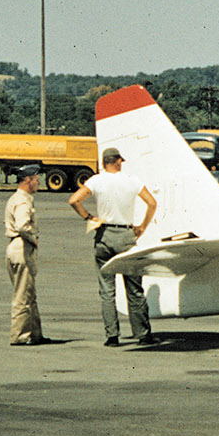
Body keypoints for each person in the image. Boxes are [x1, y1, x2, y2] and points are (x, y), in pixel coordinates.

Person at [69, 147, 159, 346]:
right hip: (126, 234)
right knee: (134, 288)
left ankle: (112, 336)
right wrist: (142, 227)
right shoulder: (132, 181)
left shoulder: (96, 181)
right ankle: (143, 334)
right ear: (118, 161)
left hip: (104, 234)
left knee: (107, 289)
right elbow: (152, 203)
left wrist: (89, 217)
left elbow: (74, 200)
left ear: (103, 163)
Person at [5, 164, 47, 345]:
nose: (39, 182)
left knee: (29, 293)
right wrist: (32, 238)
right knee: (22, 295)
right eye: (36, 180)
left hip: (17, 247)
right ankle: (20, 336)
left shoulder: (19, 198)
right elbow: (22, 225)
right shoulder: (22, 201)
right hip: (22, 247)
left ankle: (35, 334)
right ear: (27, 181)